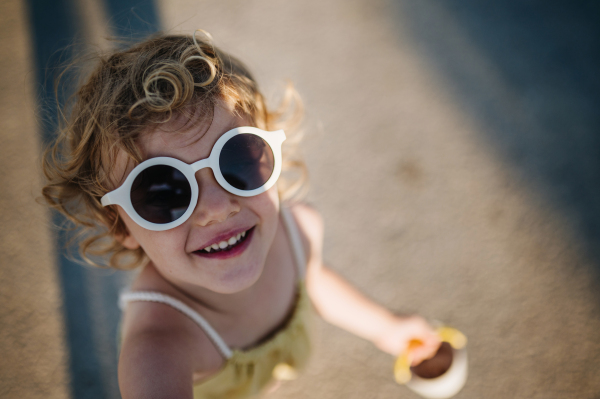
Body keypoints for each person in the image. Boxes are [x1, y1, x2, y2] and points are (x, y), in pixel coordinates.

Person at [42, 30, 441, 398]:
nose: (216, 209)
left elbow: (314, 279)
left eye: (237, 158)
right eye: (162, 191)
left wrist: (388, 328)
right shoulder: (160, 348)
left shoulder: (298, 230)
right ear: (120, 226)